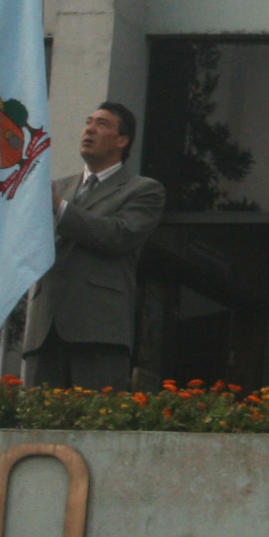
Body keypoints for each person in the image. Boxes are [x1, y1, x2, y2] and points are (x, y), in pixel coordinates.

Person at [20, 102, 166, 390]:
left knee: (92, 423)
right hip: (44, 327)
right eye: (88, 122)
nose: (89, 129)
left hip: (98, 330)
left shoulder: (143, 190)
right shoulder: (57, 188)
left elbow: (118, 235)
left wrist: (60, 208)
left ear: (122, 141)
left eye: (101, 124)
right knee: (36, 429)